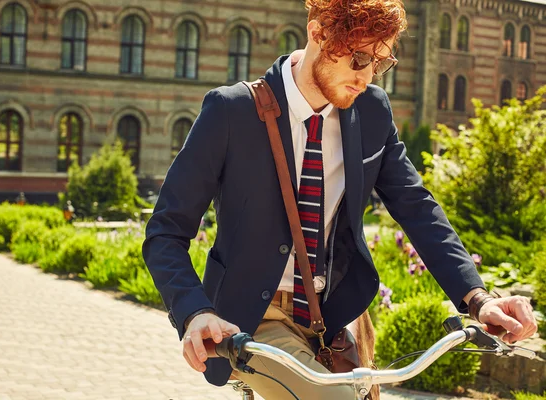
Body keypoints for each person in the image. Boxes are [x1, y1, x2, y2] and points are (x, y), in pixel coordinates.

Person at [142, 0, 538, 398]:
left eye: (379, 63)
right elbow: (165, 231)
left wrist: (477, 299)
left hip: (333, 318)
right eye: (359, 58)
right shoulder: (231, 112)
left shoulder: (371, 112)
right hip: (253, 319)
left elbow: (416, 206)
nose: (366, 77)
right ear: (317, 34)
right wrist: (195, 311)